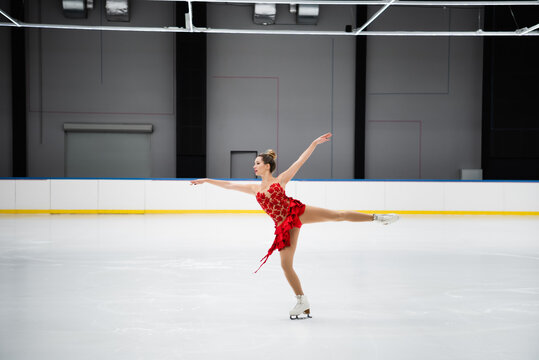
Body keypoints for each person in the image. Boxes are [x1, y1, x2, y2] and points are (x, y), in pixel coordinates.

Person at [190, 133, 398, 319]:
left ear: (267, 166)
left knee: (337, 215)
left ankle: (378, 218)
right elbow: (228, 185)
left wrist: (314, 143)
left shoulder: (280, 181)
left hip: (296, 211)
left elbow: (300, 161)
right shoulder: (254, 188)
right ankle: (302, 301)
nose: (254, 166)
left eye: (257, 163)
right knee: (285, 265)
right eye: (254, 163)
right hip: (283, 226)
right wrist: (207, 180)